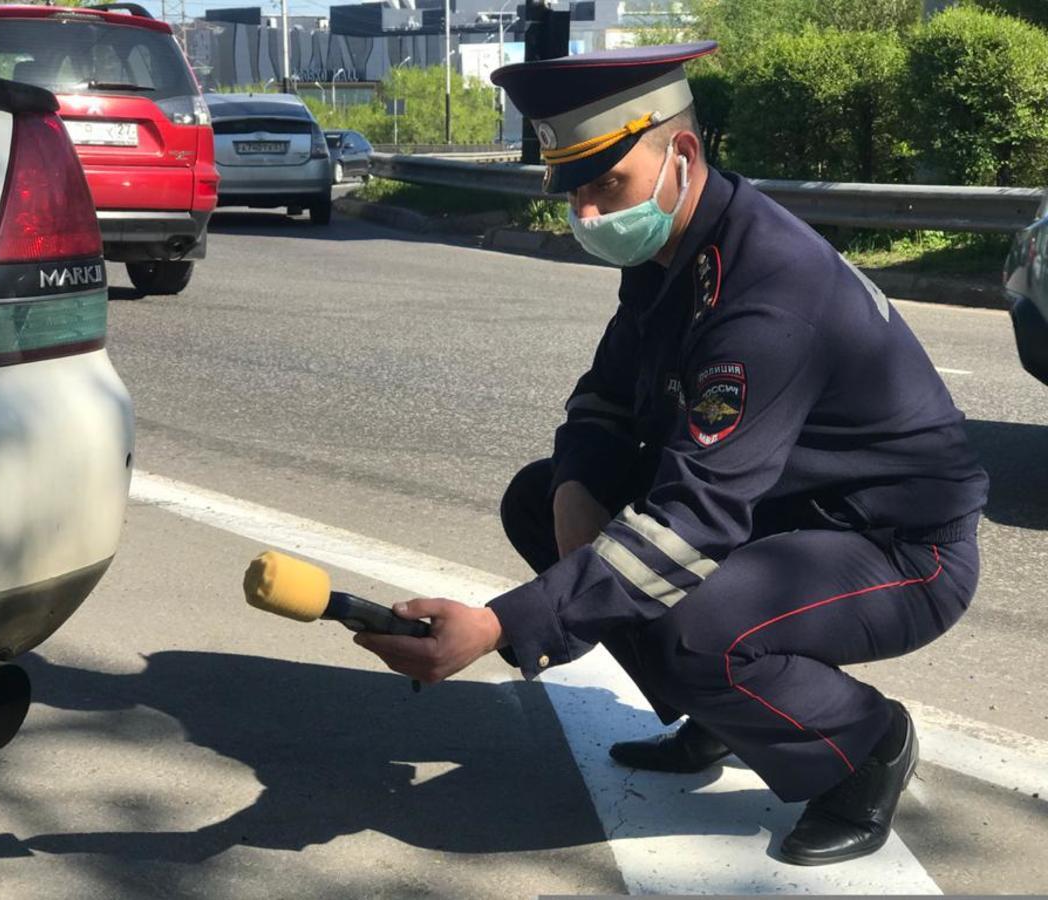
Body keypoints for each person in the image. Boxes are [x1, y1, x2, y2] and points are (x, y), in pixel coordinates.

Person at [354, 42, 988, 866]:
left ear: (680, 154)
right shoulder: (677, 247)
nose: (586, 213)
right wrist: (577, 486)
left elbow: (695, 522)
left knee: (696, 626)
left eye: (606, 183)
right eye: (574, 188)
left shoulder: (767, 296)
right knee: (538, 496)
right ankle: (724, 714)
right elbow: (607, 394)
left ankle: (865, 744)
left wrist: (502, 624)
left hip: (900, 549)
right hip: (782, 512)